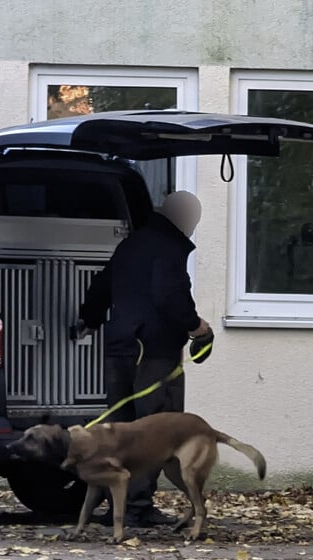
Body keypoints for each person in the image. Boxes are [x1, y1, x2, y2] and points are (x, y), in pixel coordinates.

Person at [75, 190, 213, 527]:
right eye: (193, 222)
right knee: (154, 432)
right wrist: (197, 327)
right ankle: (137, 507)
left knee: (118, 431)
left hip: (119, 347)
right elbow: (170, 297)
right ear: (186, 220)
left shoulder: (131, 245)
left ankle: (117, 507)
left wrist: (88, 320)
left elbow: (101, 287)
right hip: (152, 353)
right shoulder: (169, 249)